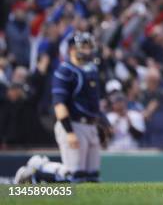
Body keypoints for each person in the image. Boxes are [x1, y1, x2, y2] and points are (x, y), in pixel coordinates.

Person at [14, 32, 107, 184]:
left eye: (89, 47)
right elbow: (59, 103)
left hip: (90, 125)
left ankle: (41, 170)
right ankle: (38, 170)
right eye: (83, 47)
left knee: (92, 178)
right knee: (74, 177)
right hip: (73, 123)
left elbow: (94, 103)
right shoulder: (65, 71)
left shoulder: (92, 71)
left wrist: (102, 123)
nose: (88, 51)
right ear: (71, 49)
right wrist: (69, 131)